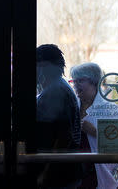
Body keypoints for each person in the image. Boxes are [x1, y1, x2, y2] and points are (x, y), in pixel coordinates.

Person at [70, 62, 118, 189]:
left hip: (98, 173)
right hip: (73, 173)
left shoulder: (110, 109)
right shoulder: (71, 107)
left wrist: (94, 131)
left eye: (80, 80)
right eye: (74, 81)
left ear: (94, 82)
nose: (75, 85)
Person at [35, 44, 83, 188]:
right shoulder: (59, 86)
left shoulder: (55, 92)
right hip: (65, 172)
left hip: (59, 175)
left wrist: (46, 173)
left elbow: (63, 138)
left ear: (44, 66)